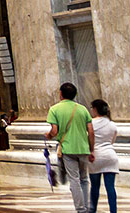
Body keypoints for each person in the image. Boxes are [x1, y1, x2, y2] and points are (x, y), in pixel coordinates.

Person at [47, 83, 94, 213]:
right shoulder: (83, 109)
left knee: (74, 179)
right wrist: (91, 149)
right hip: (83, 148)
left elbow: (54, 131)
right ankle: (86, 207)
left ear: (61, 94)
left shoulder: (54, 109)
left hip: (67, 149)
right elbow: (91, 131)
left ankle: (80, 209)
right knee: (84, 179)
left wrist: (49, 135)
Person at [88, 99, 119, 213]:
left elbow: (88, 139)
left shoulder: (91, 123)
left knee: (95, 187)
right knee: (110, 187)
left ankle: (92, 210)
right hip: (110, 156)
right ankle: (113, 211)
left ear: (95, 109)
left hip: (96, 156)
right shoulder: (112, 124)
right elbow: (112, 141)